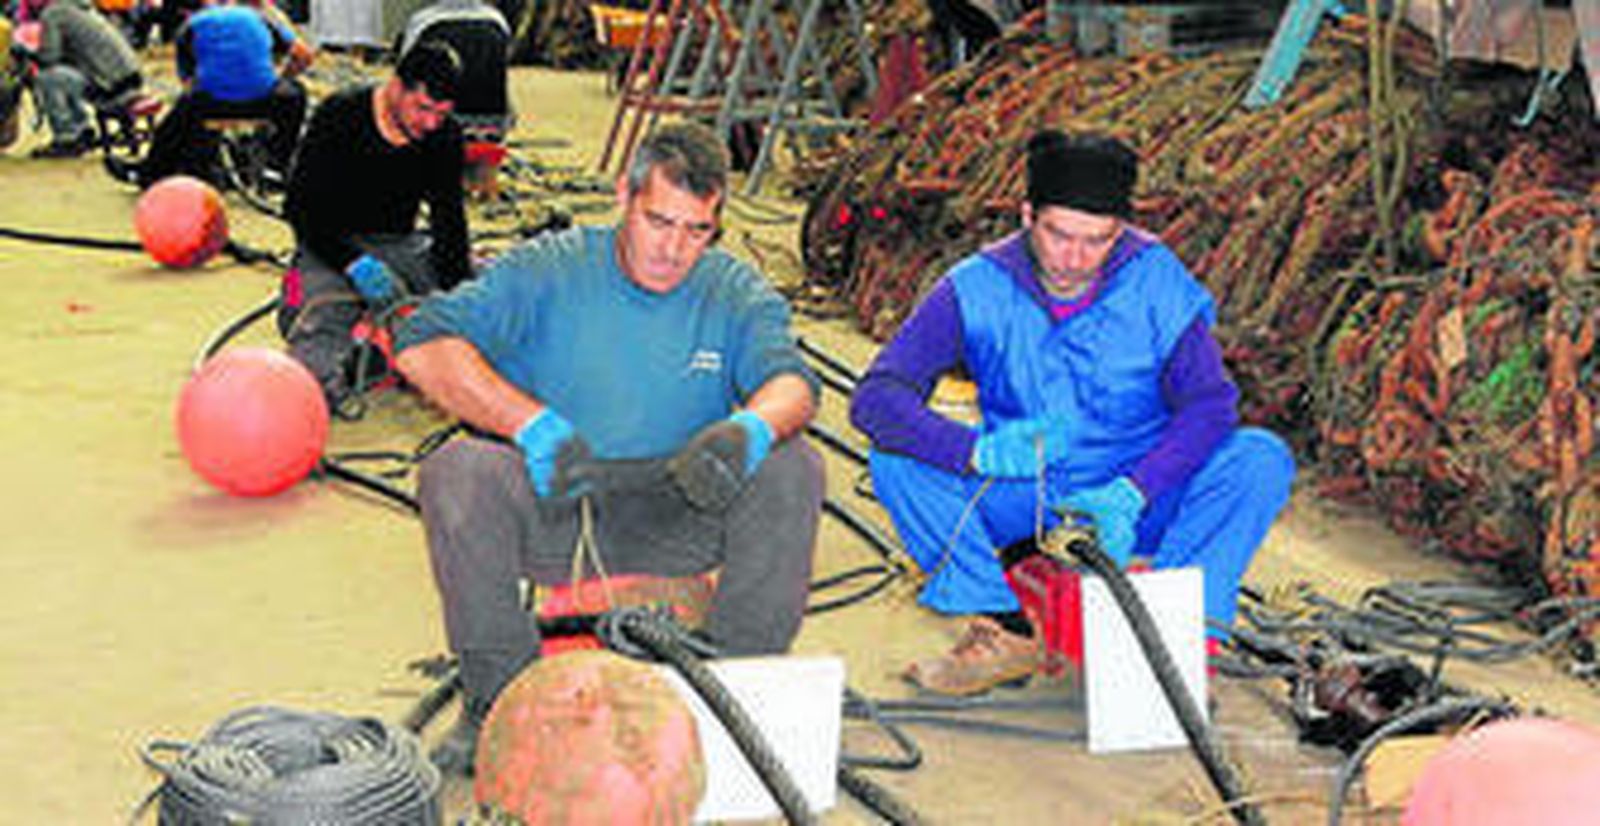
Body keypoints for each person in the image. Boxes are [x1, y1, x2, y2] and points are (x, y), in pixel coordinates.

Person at [393, 121, 824, 775]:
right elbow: (422, 343)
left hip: (684, 496)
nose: (674, 250)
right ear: (624, 195)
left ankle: (735, 690)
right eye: (659, 221)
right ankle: (496, 698)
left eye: (696, 231)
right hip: (562, 496)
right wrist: (527, 423)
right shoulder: (550, 268)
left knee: (793, 467)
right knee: (457, 471)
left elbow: (792, 381)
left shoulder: (732, 289)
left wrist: (751, 429)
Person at [850, 130, 1295, 696]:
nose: (1075, 259)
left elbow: (1210, 405)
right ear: (1028, 214)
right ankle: (1004, 627)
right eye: (1059, 235)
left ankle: (1176, 636)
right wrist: (976, 452)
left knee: (1259, 459)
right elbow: (877, 397)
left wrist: (1135, 489)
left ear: (1122, 231)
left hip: (1139, 494)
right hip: (1027, 489)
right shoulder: (975, 287)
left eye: (1098, 241)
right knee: (896, 462)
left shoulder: (1155, 279)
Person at [276, 40, 470, 410]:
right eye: (423, 108)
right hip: (331, 245)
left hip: (401, 244)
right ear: (397, 86)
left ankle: (385, 350)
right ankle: (347, 365)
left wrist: (458, 298)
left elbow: (450, 225)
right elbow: (300, 209)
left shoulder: (444, 136)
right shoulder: (340, 115)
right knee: (317, 339)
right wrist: (353, 264)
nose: (430, 123)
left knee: (485, 295)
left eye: (441, 114)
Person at [110, 0, 314, 188]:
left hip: (213, 104)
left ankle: (150, 172)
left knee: (182, 112)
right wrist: (284, 77)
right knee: (296, 95)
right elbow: (303, 55)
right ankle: (277, 164)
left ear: (185, 13)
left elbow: (188, 82)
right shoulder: (259, 17)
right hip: (266, 100)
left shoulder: (190, 27)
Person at [31, 0, 142, 157]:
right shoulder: (85, 8)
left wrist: (28, 52)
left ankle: (68, 137)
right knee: (66, 75)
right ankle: (81, 128)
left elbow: (49, 57)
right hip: (129, 79)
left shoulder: (53, 13)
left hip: (110, 88)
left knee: (47, 77)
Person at [396, 0, 510, 136]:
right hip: (493, 118)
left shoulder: (423, 21)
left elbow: (404, 70)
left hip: (439, 116)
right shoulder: (498, 21)